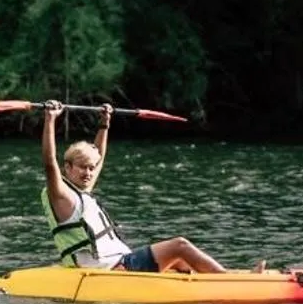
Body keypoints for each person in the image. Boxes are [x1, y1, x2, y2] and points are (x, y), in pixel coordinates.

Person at [41, 101, 228, 273]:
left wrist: (104, 124)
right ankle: (227, 280)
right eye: (83, 167)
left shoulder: (81, 192)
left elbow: (99, 157)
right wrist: (50, 120)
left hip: (120, 261)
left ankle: (209, 281)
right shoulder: (61, 196)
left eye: (91, 168)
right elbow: (50, 163)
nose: (89, 173)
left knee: (180, 262)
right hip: (113, 267)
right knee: (179, 245)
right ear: (67, 167)